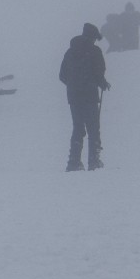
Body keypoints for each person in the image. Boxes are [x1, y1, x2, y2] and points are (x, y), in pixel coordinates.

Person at [59, 23, 110, 171]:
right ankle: (94, 161)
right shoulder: (94, 51)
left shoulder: (70, 52)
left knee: (78, 128)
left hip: (74, 97)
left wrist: (73, 85)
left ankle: (73, 162)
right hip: (89, 96)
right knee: (93, 128)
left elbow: (62, 75)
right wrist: (102, 83)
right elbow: (99, 72)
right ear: (92, 37)